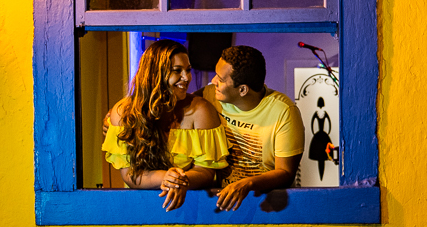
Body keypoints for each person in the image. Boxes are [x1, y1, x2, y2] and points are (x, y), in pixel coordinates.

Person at [103, 39, 229, 211]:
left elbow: (206, 171)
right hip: (140, 207)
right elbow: (129, 174)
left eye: (188, 70)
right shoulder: (123, 112)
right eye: (177, 70)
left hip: (191, 207)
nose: (187, 77)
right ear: (155, 73)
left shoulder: (201, 110)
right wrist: (165, 177)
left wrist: (180, 181)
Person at [197, 45, 304, 211]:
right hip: (216, 203)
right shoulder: (209, 95)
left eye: (221, 79)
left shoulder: (283, 111)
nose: (213, 81)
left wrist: (247, 184)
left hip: (264, 206)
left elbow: (285, 173)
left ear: (242, 90)